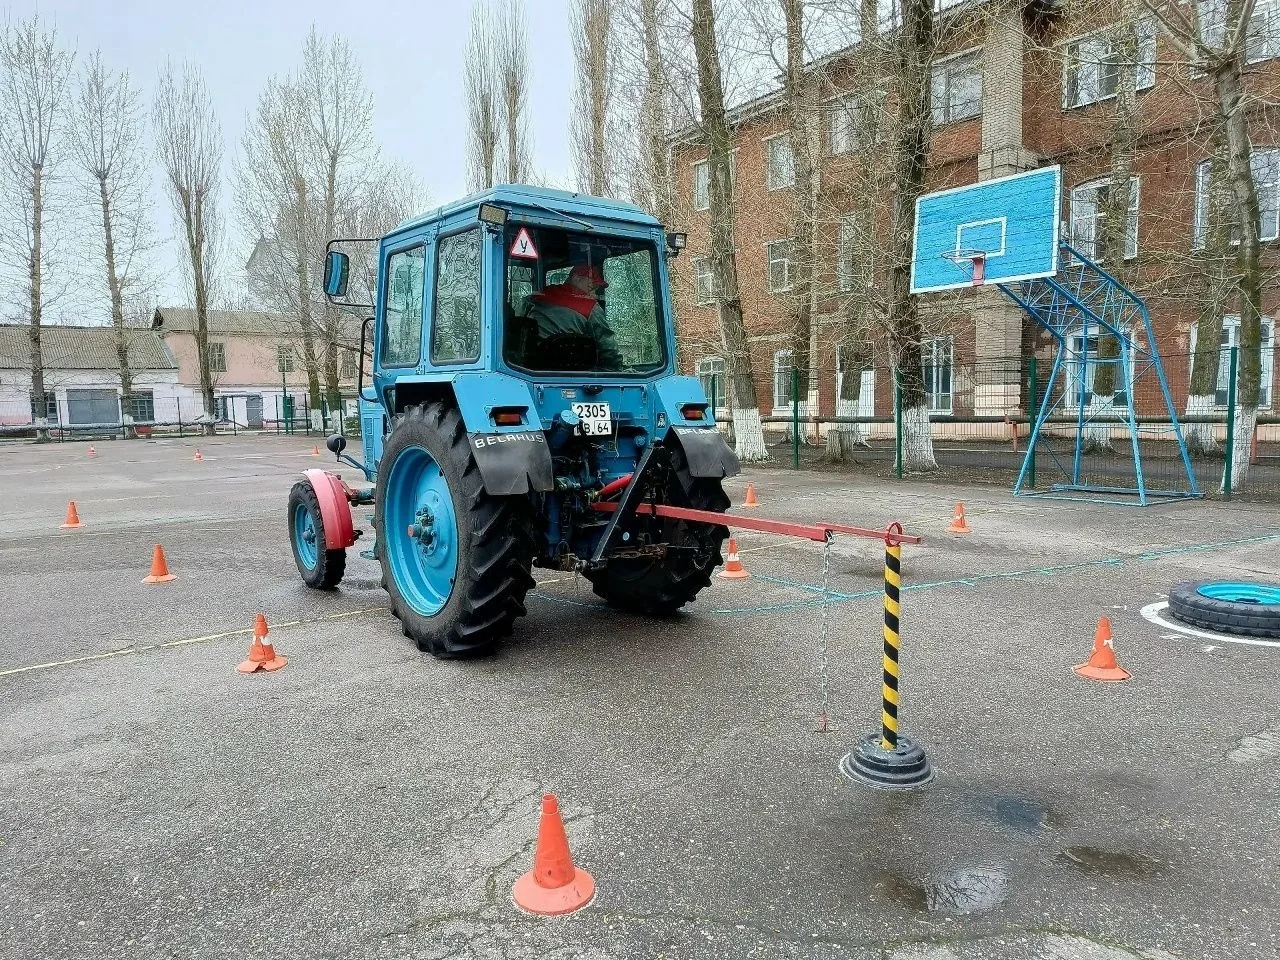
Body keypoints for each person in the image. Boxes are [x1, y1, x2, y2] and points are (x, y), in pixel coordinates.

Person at [525, 263, 623, 370]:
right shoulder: (590, 306)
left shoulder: (539, 296)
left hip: (533, 366)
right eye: (591, 288)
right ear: (576, 278)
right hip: (572, 369)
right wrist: (616, 369)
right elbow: (607, 346)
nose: (594, 294)